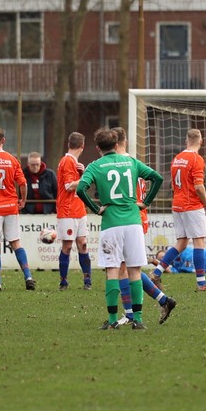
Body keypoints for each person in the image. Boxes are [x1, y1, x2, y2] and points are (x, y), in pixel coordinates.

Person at [76, 128, 163, 330]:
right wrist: (146, 202)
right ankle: (138, 320)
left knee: (113, 271)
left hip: (111, 223)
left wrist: (96, 209)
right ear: (116, 145)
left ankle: (113, 319)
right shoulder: (131, 162)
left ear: (98, 148)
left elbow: (81, 188)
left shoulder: (95, 166)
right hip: (133, 222)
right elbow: (157, 178)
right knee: (134, 271)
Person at [111, 126, 177, 326]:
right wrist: (145, 203)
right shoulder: (134, 163)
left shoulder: (120, 165)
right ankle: (162, 301)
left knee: (124, 269)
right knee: (130, 268)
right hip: (139, 218)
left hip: (129, 219)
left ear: (114, 144)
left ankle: (131, 313)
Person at [150, 128, 206, 292]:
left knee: (181, 242)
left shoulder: (177, 158)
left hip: (177, 204)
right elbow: (199, 186)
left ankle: (156, 273)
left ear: (186, 141)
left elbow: (173, 184)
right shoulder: (197, 159)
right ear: (201, 141)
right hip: (192, 205)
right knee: (199, 242)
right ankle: (201, 283)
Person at [0, 126, 36, 291]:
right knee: (15, 242)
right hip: (10, 206)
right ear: (3, 140)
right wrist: (23, 200)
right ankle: (28, 276)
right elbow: (23, 183)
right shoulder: (12, 160)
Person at [55, 132, 93, 290]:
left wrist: (83, 174)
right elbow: (69, 186)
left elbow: (80, 186)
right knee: (68, 246)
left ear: (68, 144)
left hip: (79, 210)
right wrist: (87, 177)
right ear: (82, 146)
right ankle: (63, 282)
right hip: (67, 210)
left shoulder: (74, 163)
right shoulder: (67, 161)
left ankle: (87, 281)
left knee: (83, 244)